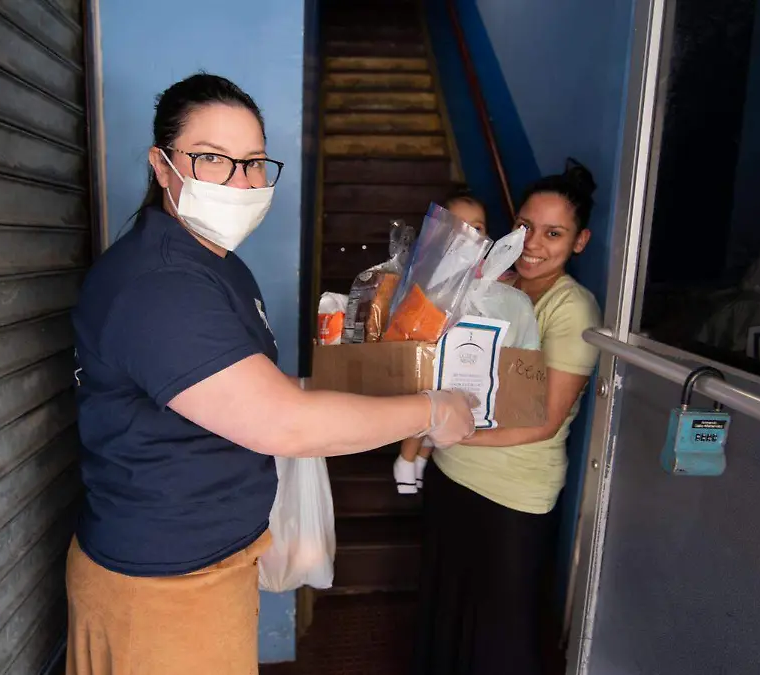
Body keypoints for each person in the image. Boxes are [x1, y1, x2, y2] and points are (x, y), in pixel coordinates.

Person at [65, 73, 476, 675]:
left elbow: (242, 392)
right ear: (162, 165)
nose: (242, 182)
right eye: (213, 159)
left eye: (255, 163)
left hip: (207, 565)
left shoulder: (216, 264)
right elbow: (279, 424)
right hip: (161, 586)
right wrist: (433, 411)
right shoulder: (160, 287)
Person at [413, 159, 603, 675]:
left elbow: (542, 422)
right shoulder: (491, 285)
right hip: (451, 474)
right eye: (524, 227)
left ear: (579, 242)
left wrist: (436, 427)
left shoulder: (572, 310)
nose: (534, 244)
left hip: (512, 494)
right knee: (447, 611)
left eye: (554, 233)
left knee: (498, 636)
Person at [393, 186, 488, 494]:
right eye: (459, 227)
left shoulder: (487, 270)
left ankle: (422, 457)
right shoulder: (431, 264)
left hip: (460, 354)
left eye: (477, 228)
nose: (469, 236)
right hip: (429, 347)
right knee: (426, 405)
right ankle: (406, 459)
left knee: (451, 405)